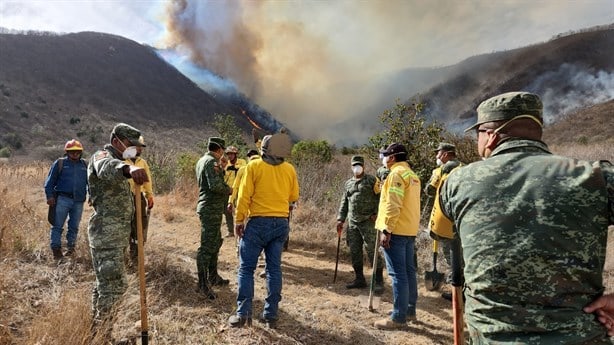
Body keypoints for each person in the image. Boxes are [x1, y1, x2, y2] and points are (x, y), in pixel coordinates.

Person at [434, 91, 614, 343]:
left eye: (478, 133)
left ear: (491, 136)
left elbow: (441, 232)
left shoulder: (457, 181)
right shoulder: (595, 176)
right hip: (579, 335)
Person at [228, 134, 299, 329]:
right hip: (281, 224)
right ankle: (271, 315)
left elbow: (243, 196)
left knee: (246, 269)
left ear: (265, 149)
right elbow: (294, 196)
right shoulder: (289, 169)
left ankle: (243, 315)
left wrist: (239, 220)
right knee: (274, 269)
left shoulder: (253, 166)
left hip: (258, 223)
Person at [87, 123, 148, 323]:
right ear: (116, 142)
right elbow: (106, 168)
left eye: (138, 147)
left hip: (116, 236)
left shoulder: (120, 159)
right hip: (107, 235)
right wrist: (127, 168)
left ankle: (98, 332)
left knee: (105, 286)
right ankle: (104, 334)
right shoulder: (103, 157)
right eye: (132, 145)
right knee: (114, 287)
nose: (136, 150)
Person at [373, 143, 421, 330]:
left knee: (398, 275)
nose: (383, 159)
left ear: (392, 158)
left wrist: (387, 230)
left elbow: (394, 205)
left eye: (385, 155)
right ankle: (409, 310)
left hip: (396, 231)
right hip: (409, 230)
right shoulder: (413, 175)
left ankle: (398, 317)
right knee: (409, 272)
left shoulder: (395, 175)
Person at [336, 155, 384, 293]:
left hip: (368, 221)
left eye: (359, 165)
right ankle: (359, 279)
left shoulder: (372, 181)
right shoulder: (348, 183)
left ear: (363, 166)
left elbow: (382, 198)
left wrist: (377, 213)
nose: (357, 168)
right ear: (351, 167)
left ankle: (378, 281)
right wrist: (340, 219)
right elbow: (344, 202)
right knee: (355, 251)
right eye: (354, 165)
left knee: (372, 251)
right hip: (353, 223)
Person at [424, 142, 462, 300]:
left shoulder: (442, 171)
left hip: (446, 222)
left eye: (438, 153)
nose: (437, 156)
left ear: (446, 154)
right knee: (460, 256)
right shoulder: (463, 168)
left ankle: (458, 291)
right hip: (460, 220)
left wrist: (435, 176)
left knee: (452, 257)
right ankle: (461, 288)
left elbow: (429, 190)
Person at [195, 137, 233, 299]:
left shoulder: (203, 160)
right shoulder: (211, 162)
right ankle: (203, 284)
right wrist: (229, 189)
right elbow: (215, 186)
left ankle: (213, 276)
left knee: (216, 241)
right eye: (222, 150)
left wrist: (222, 169)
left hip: (212, 208)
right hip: (210, 208)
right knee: (207, 247)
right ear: (219, 149)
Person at [44, 139, 88, 259]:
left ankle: (71, 248)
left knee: (74, 226)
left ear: (81, 152)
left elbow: (90, 184)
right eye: (72, 151)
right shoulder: (60, 163)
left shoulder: (85, 165)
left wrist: (92, 197)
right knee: (57, 225)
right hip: (62, 199)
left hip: (79, 200)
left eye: (77, 152)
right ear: (67, 152)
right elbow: (49, 182)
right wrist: (49, 196)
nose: (75, 154)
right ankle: (56, 250)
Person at [125, 135, 154, 264]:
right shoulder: (122, 161)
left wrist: (149, 195)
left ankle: (135, 257)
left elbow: (147, 181)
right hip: (124, 197)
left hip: (139, 197)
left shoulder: (142, 163)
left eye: (141, 147)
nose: (140, 149)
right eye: (137, 146)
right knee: (125, 225)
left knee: (139, 227)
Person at [222, 146, 247, 237]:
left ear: (235, 154)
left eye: (232, 154)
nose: (230, 156)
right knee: (227, 211)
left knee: (240, 210)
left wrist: (232, 167)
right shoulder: (226, 164)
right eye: (228, 154)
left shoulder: (242, 162)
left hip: (239, 190)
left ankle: (242, 229)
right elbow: (223, 176)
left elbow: (242, 170)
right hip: (228, 191)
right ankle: (230, 230)